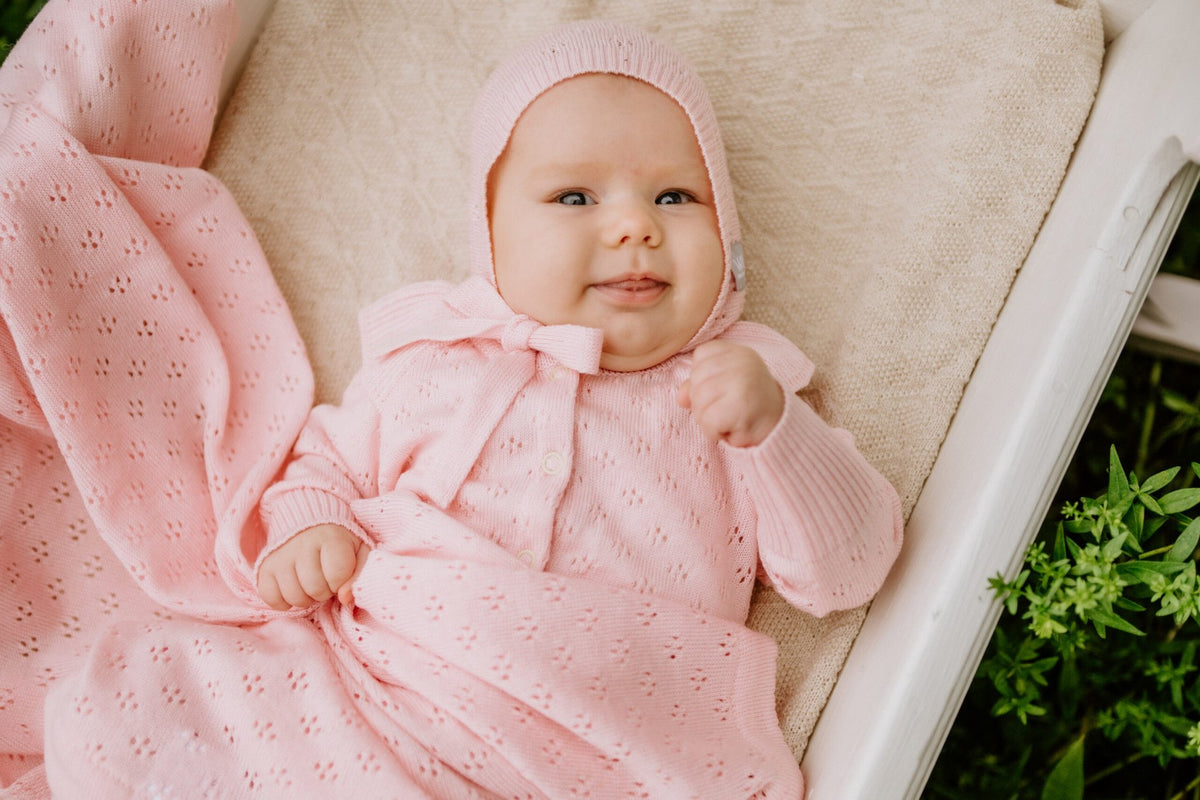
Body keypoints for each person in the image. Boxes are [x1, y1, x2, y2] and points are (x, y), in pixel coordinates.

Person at [255, 20, 904, 632]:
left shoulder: (734, 398)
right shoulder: (437, 356)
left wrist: (774, 433)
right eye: (575, 198)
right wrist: (314, 527)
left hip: (611, 695)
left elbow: (850, 572)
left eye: (673, 197)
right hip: (396, 659)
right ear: (490, 236)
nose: (635, 226)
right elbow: (327, 462)